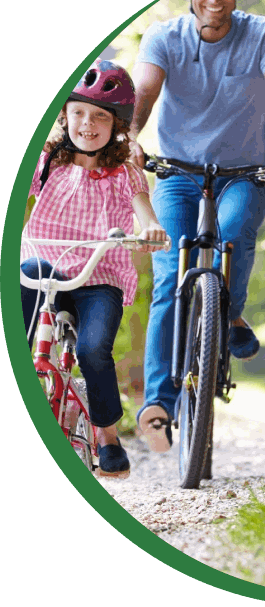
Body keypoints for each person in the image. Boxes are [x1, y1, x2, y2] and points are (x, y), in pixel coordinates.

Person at [130, 0, 265, 452]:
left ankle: (228, 311)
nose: (215, 1)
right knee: (171, 273)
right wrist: (128, 136)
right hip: (177, 173)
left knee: (233, 234)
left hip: (245, 172)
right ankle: (158, 406)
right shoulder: (163, 37)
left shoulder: (264, 33)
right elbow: (144, 92)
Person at [21, 58, 168, 478]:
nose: (88, 123)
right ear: (65, 116)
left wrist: (153, 229)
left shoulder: (124, 172)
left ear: (117, 125)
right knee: (22, 301)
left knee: (92, 350)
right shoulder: (47, 160)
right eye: (79, 112)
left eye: (100, 116)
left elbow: (145, 212)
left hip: (98, 278)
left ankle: (107, 435)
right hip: (44, 268)